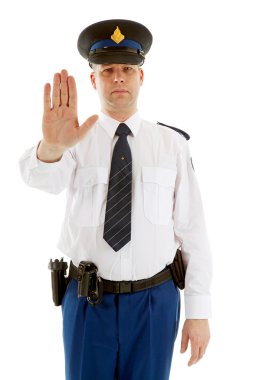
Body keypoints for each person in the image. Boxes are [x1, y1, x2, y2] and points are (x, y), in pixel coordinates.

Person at [20, 19, 212, 380]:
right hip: (88, 303)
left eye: (127, 69)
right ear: (94, 80)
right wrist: (52, 146)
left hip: (155, 302)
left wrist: (198, 311)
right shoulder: (74, 141)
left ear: (142, 77)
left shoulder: (172, 145)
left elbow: (193, 230)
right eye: (108, 70)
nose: (119, 77)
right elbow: (41, 181)